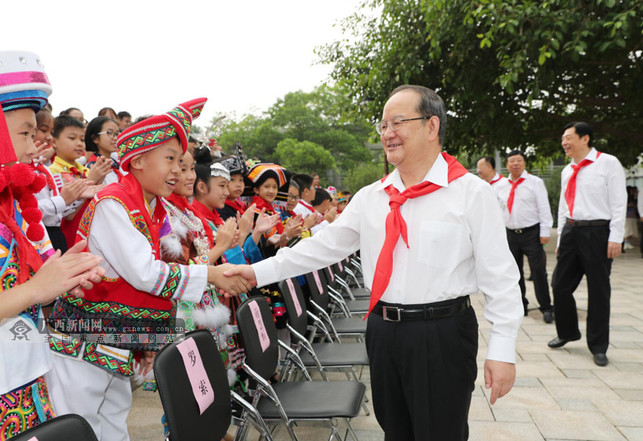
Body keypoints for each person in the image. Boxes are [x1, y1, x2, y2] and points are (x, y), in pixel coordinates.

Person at [225, 85, 523, 440]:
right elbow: (322, 248)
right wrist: (255, 271)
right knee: (395, 430)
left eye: (398, 122)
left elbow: (501, 277)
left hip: (441, 333)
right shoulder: (372, 197)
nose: (388, 133)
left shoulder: (471, 194)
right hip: (383, 331)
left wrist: (503, 349)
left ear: (432, 127)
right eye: (383, 125)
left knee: (440, 431)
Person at [44, 98, 253, 441]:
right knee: (80, 424)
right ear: (138, 160)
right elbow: (148, 274)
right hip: (87, 339)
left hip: (120, 338)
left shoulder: (152, 206)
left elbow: (164, 270)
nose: (178, 171)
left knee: (112, 420)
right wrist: (212, 275)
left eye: (181, 162)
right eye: (170, 159)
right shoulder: (114, 202)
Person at [0, 50, 103, 439]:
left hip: (24, 375)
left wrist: (55, 279)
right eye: (25, 133)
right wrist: (38, 287)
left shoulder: (8, 203)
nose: (33, 147)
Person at [548, 122, 627, 367]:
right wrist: (562, 237)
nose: (564, 142)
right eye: (562, 138)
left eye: (569, 137)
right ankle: (568, 331)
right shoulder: (567, 170)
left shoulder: (608, 163)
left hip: (598, 232)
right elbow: (563, 206)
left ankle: (598, 346)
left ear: (585, 139)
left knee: (598, 291)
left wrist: (616, 236)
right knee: (559, 285)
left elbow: (618, 202)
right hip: (572, 230)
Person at [495, 150, 554, 322]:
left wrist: (544, 232)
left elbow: (544, 207)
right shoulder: (500, 186)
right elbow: (498, 211)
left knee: (538, 272)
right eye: (512, 161)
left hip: (532, 233)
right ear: (507, 165)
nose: (515, 164)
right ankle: (521, 305)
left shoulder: (535, 182)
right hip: (510, 234)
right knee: (514, 273)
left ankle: (546, 307)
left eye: (519, 160)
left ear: (524, 163)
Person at [85, 116, 124, 184]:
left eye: (117, 134)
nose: (115, 138)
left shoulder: (115, 163)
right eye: (109, 133)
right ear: (95, 138)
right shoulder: (94, 168)